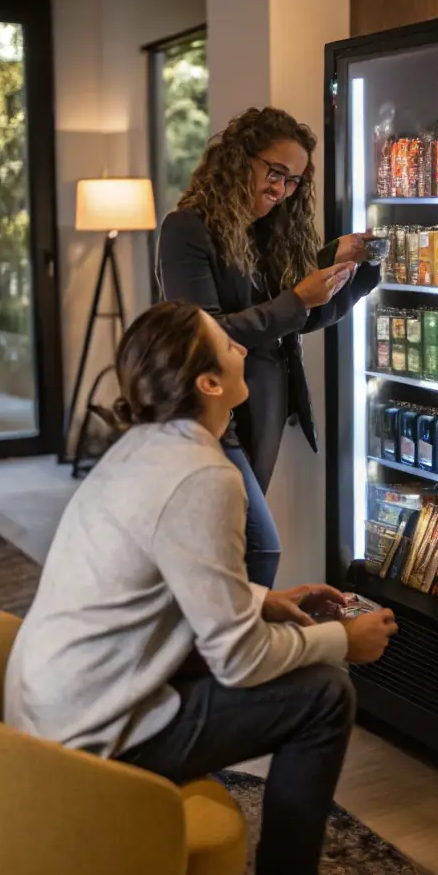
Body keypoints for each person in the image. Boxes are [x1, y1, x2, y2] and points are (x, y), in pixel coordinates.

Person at [4, 301, 403, 875]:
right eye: (226, 342)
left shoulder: (142, 446)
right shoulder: (205, 476)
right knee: (325, 693)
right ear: (209, 383)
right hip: (93, 743)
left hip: (52, 711)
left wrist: (266, 597)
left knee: (300, 666)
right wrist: (347, 639)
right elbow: (242, 659)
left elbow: (172, 576)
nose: (241, 347)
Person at [157, 106, 381, 587]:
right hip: (212, 413)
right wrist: (298, 298)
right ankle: (226, 646)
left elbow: (297, 318)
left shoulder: (266, 232)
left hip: (266, 405)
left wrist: (353, 276)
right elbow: (205, 333)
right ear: (239, 160)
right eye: (275, 173)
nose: (281, 190)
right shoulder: (186, 229)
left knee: (234, 544)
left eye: (294, 181)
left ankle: (226, 643)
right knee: (252, 545)